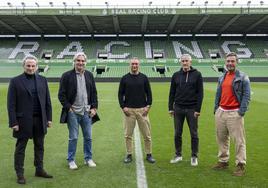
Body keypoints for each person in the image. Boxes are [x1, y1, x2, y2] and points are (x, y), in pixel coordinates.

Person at [7, 55, 53, 184]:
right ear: (24, 66)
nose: (31, 68)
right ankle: (20, 173)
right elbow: (11, 104)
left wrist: (49, 119)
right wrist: (13, 122)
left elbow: (47, 102)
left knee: (40, 146)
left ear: (37, 67)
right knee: (21, 148)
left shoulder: (43, 80)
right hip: (22, 121)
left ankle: (39, 169)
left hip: (40, 120)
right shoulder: (15, 81)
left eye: (33, 66)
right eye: (28, 65)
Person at [212, 52, 251, 176]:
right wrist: (216, 109)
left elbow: (246, 95)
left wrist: (241, 111)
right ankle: (223, 161)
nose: (230, 63)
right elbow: (218, 93)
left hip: (235, 112)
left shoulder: (243, 77)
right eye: (228, 61)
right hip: (221, 112)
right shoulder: (222, 77)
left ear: (236, 62)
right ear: (225, 62)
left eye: (232, 61)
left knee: (239, 140)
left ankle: (240, 164)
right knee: (221, 138)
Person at [58, 52, 98, 170]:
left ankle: (88, 158)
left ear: (85, 62)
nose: (80, 63)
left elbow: (94, 93)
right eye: (78, 60)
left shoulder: (89, 75)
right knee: (73, 137)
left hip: (87, 112)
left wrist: (94, 107)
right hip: (73, 112)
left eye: (82, 61)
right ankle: (71, 160)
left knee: (88, 137)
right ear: (74, 62)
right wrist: (68, 108)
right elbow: (61, 95)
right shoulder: (66, 76)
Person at [168, 54, 204, 166]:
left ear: (190, 62)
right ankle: (178, 155)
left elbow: (200, 93)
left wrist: (198, 109)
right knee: (177, 133)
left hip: (192, 109)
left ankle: (194, 156)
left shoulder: (197, 75)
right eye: (183, 61)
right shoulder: (176, 75)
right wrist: (170, 107)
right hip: (178, 108)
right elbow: (172, 93)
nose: (185, 63)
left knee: (194, 133)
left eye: (186, 61)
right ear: (180, 62)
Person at [118, 58, 155, 164]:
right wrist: (123, 107)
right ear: (130, 65)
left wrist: (148, 106)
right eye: (133, 64)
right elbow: (120, 94)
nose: (134, 65)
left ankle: (149, 154)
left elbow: (149, 93)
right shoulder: (124, 78)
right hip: (129, 111)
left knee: (147, 135)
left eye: (136, 64)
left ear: (139, 65)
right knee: (128, 135)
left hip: (142, 110)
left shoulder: (144, 78)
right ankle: (129, 154)